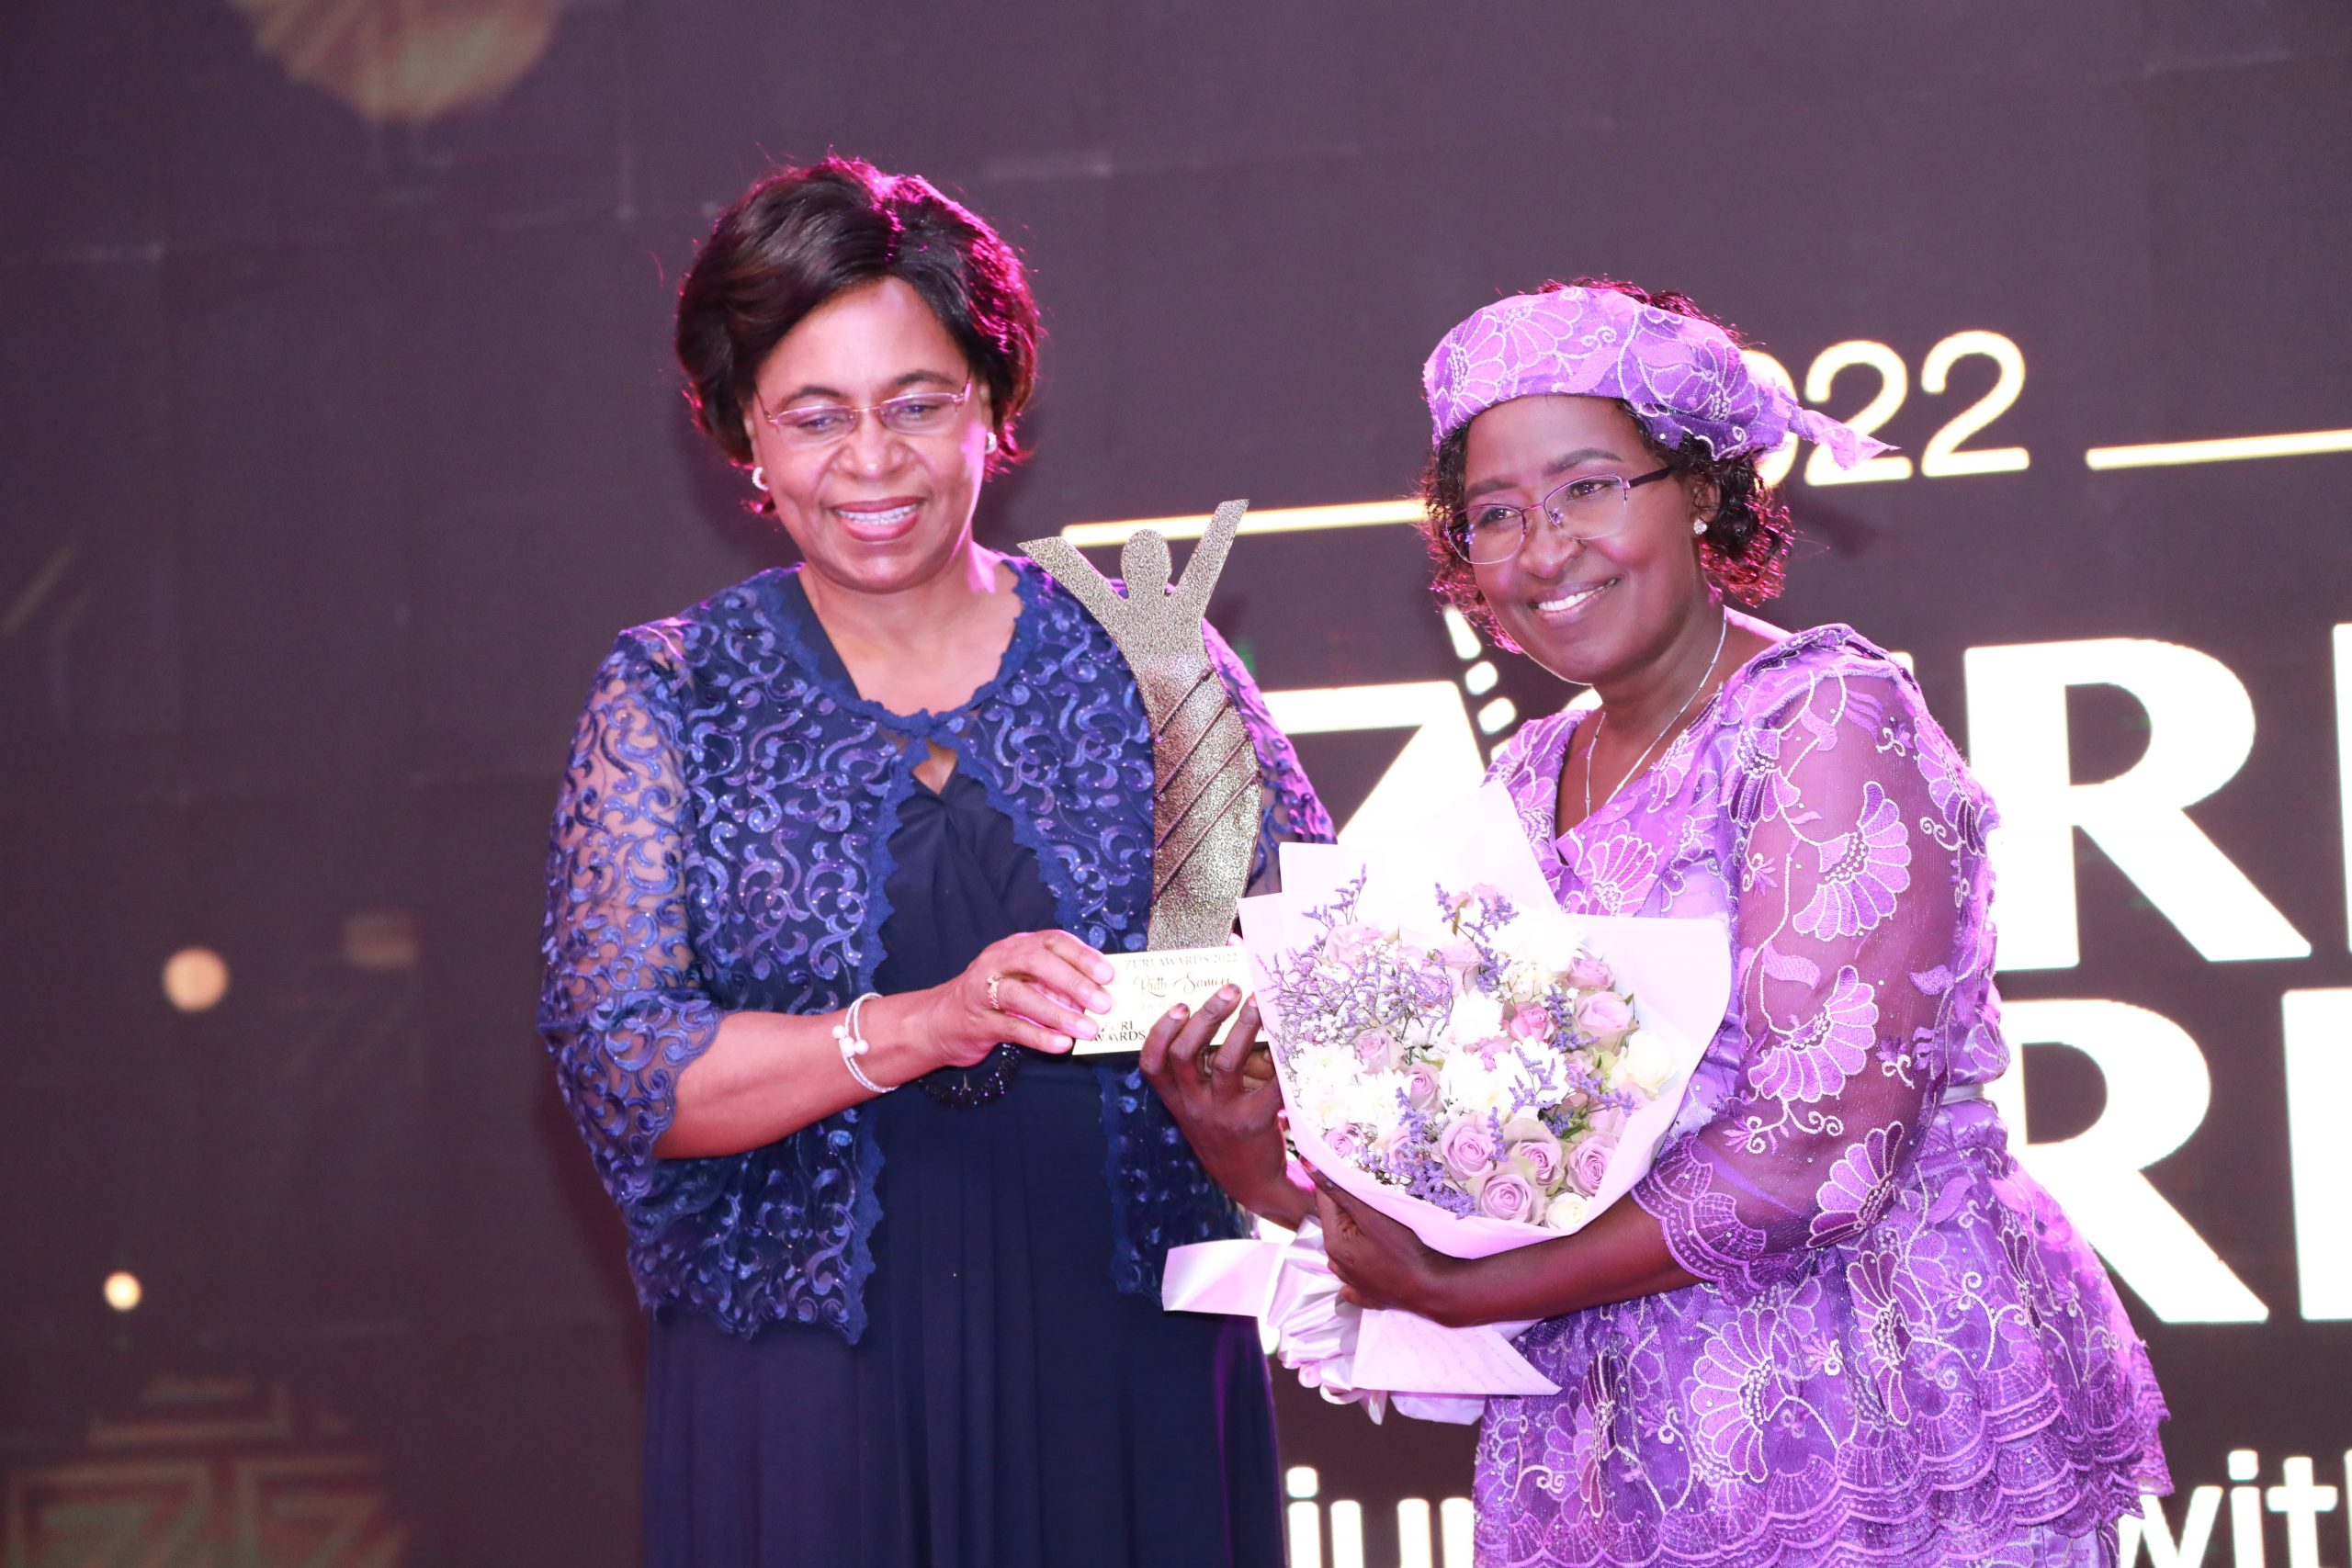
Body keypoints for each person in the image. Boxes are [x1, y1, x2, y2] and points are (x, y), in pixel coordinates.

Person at [1160, 280, 2171, 1568]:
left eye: (1589, 487)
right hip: (1616, 1441)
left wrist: (1474, 1292)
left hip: (1859, 1408)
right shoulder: (1530, 779)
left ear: (1699, 489)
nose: (1541, 548)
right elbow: (1494, 1164)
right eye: (1495, 515)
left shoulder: (1824, 721)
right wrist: (1274, 1166)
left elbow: (1821, 1153)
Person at [537, 156, 1331, 1568]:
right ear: (747, 443)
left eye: (919, 404)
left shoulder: (1140, 660)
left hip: (1131, 1367)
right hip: (804, 1388)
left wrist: (1258, 1058)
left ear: (994, 408)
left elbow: (1325, 974)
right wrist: (921, 1025)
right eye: (815, 417)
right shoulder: (675, 691)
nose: (873, 462)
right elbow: (621, 1065)